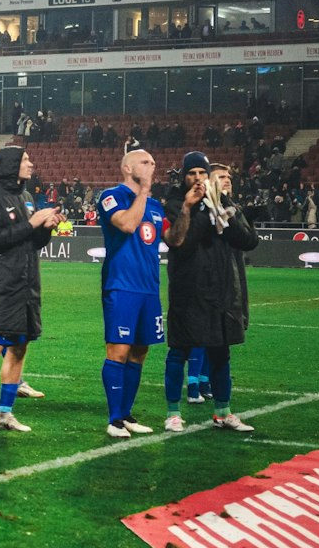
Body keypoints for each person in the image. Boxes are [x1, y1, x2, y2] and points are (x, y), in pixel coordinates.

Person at [0, 147, 57, 435]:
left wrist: (45, 229)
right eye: (26, 159)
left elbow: (30, 242)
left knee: (18, 348)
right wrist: (32, 223)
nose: (30, 163)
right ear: (10, 165)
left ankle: (5, 413)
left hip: (26, 286)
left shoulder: (26, 198)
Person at [165, 156, 258, 433]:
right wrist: (194, 210)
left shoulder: (224, 203)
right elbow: (181, 243)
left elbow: (248, 240)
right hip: (188, 291)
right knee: (178, 352)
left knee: (221, 354)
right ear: (183, 177)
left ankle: (223, 412)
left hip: (221, 291)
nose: (196, 177)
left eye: (201, 172)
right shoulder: (173, 204)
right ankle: (172, 413)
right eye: (191, 172)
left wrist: (224, 208)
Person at [96, 149, 165, 440]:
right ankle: (114, 420)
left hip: (149, 288)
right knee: (119, 351)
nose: (152, 165)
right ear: (127, 167)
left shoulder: (157, 206)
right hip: (121, 285)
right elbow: (126, 224)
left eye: (153, 162)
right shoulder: (111, 196)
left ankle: (126, 415)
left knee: (140, 351)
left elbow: (170, 239)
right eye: (145, 162)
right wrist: (145, 190)